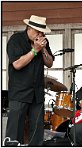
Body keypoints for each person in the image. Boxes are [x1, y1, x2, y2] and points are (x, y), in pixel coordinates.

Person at [5, 15, 54, 146]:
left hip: (37, 93)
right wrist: (35, 50)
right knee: (14, 133)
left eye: (42, 32)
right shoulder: (16, 40)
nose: (41, 34)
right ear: (29, 28)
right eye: (38, 31)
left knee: (37, 133)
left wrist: (43, 48)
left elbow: (49, 63)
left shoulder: (44, 42)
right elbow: (17, 64)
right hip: (19, 92)